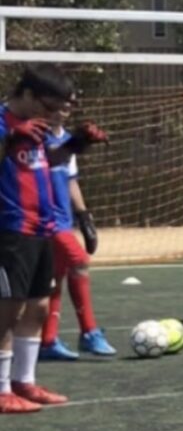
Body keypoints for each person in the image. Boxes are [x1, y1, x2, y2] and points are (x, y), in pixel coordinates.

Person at [0, 65, 106, 412]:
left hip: (41, 227)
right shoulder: (3, 122)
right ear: (27, 94)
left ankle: (23, 382)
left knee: (39, 307)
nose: (51, 114)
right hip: (10, 229)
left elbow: (51, 161)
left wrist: (78, 143)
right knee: (7, 310)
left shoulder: (39, 128)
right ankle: (1, 389)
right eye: (47, 106)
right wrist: (11, 140)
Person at [39, 97, 116, 360]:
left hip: (63, 219)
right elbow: (51, 159)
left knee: (55, 278)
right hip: (43, 219)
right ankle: (89, 332)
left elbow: (70, 181)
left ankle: (47, 340)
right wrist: (76, 144)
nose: (66, 108)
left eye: (69, 104)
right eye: (59, 102)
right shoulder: (35, 137)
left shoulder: (66, 137)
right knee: (80, 262)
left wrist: (84, 217)